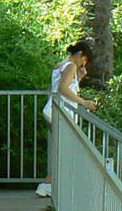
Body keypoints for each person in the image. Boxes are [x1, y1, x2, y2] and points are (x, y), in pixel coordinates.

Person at [35, 40, 97, 198]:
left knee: (63, 150)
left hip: (54, 111)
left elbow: (62, 87)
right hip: (61, 113)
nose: (83, 64)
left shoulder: (61, 65)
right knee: (64, 152)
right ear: (79, 54)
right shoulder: (71, 66)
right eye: (84, 60)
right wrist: (84, 102)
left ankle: (51, 184)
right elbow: (63, 89)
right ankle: (46, 185)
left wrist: (80, 78)